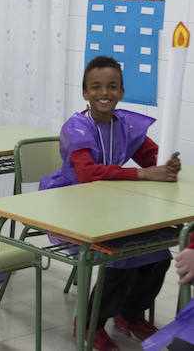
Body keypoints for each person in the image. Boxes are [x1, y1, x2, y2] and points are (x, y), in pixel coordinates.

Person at [40, 55, 181, 351]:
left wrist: (167, 164)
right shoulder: (76, 126)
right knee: (122, 256)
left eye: (112, 86)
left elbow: (151, 157)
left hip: (111, 206)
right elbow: (86, 173)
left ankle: (129, 315)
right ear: (84, 93)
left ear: (122, 92)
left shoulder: (125, 123)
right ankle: (91, 323)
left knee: (159, 254)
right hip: (71, 206)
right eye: (96, 87)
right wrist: (144, 174)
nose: (104, 93)